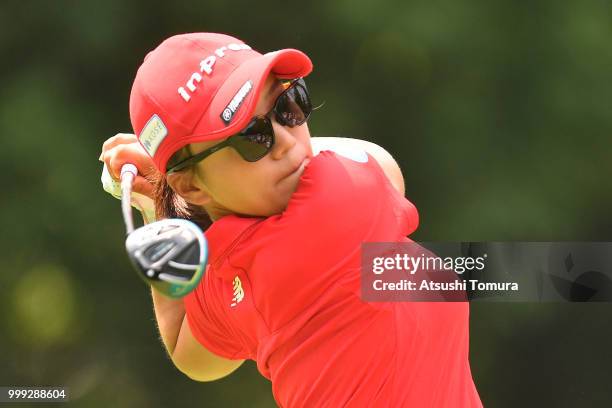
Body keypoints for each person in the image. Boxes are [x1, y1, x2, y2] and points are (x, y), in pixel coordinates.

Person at [100, 32, 482, 407]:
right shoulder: (344, 201)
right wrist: (169, 183)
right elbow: (380, 161)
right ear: (193, 187)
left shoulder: (232, 274)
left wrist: (159, 207)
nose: (286, 140)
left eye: (289, 105)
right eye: (251, 136)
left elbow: (189, 352)